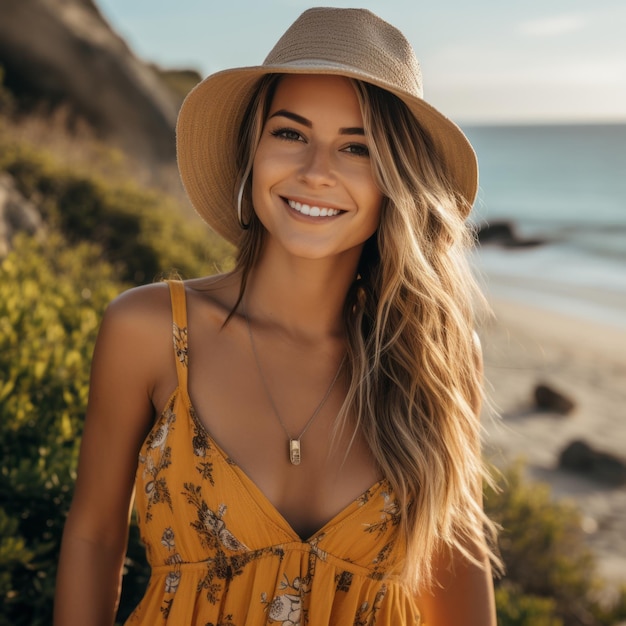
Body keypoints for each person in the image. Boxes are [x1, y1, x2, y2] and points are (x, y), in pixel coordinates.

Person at [54, 7, 501, 625]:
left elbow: (455, 571)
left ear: (395, 181)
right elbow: (95, 537)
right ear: (252, 150)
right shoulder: (152, 330)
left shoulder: (436, 357)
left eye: (357, 148)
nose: (316, 173)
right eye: (290, 134)